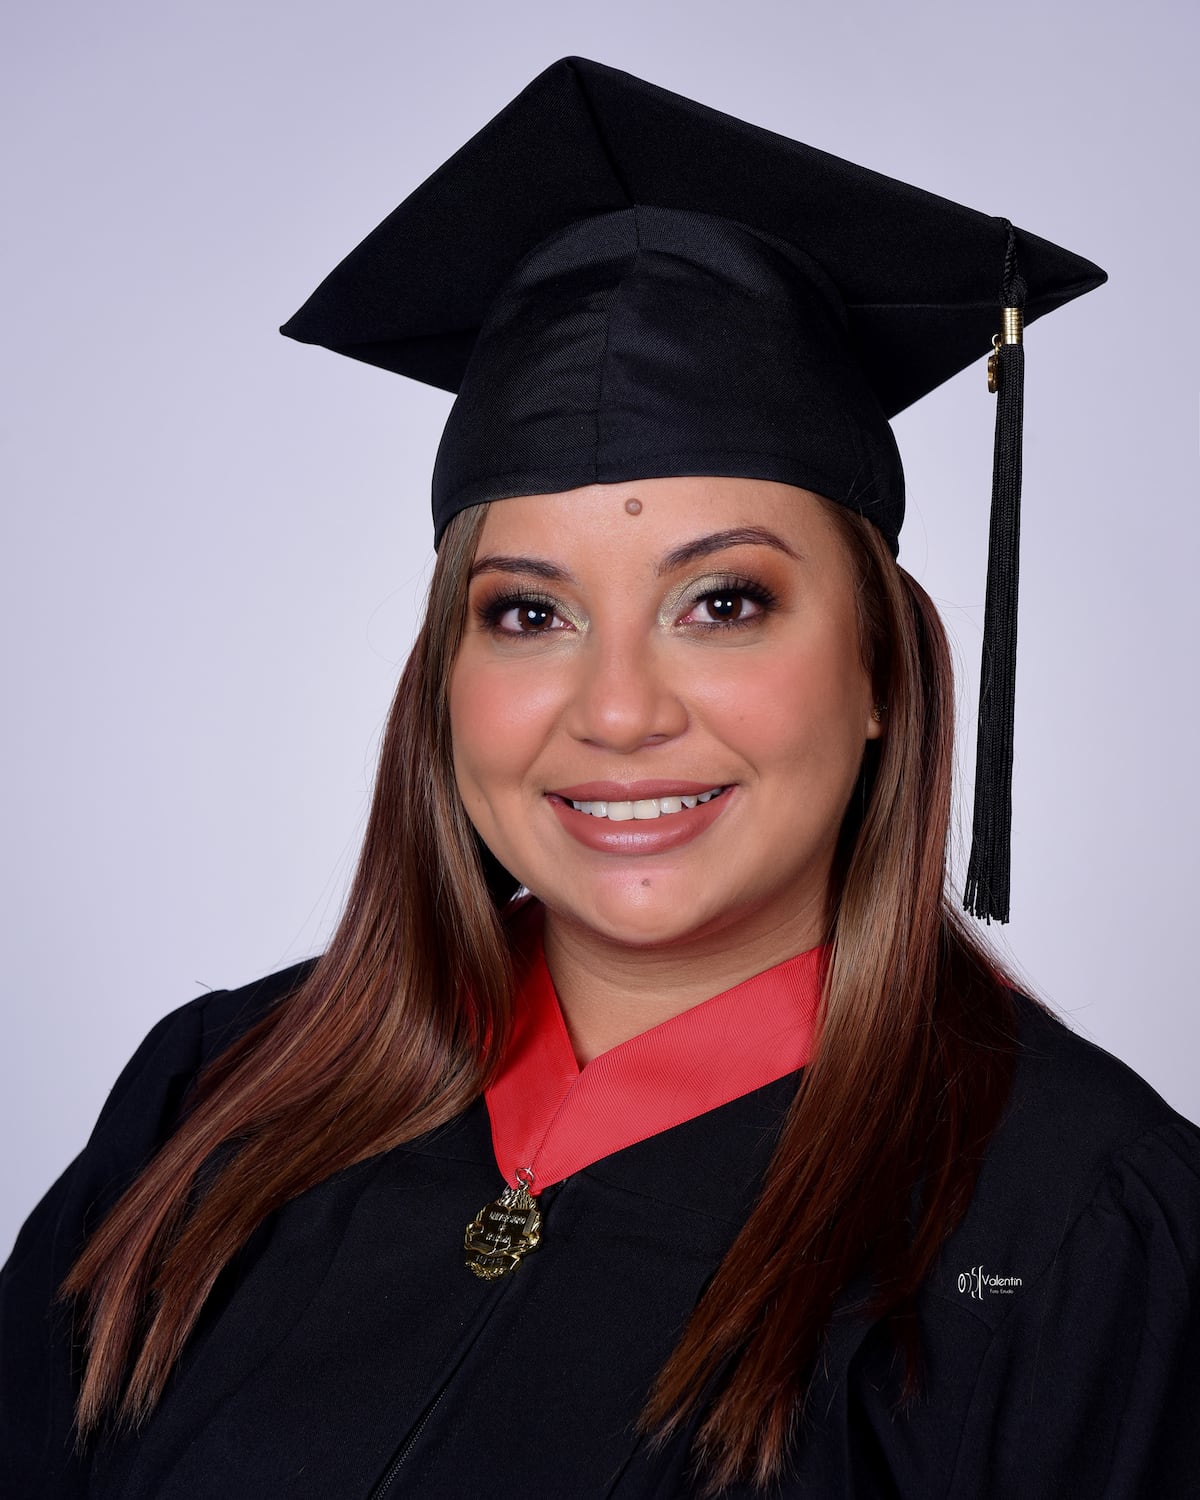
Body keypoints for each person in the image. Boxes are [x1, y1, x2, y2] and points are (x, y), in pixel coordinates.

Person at [2, 54, 1198, 1500]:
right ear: (446, 677)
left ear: (882, 667)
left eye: (724, 602)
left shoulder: (1078, 1230)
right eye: (528, 613)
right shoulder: (219, 1095)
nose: (618, 712)